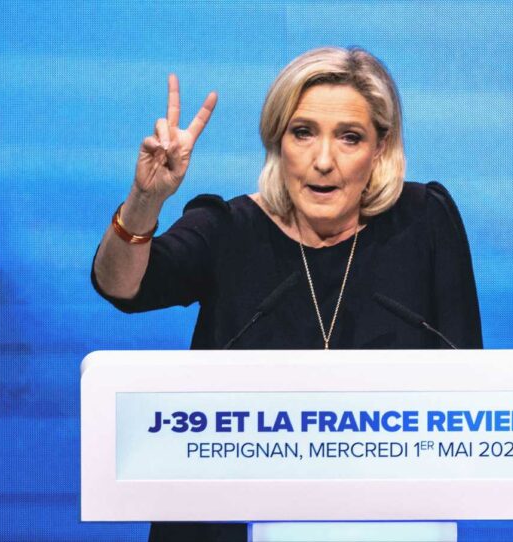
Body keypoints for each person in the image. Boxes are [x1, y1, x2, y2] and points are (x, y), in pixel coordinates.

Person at [92, 46, 482, 542]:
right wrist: (147, 197)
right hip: (224, 521)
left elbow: (469, 381)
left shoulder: (424, 223)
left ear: (380, 148)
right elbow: (121, 285)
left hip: (382, 520)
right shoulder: (229, 229)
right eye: (303, 133)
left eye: (349, 137)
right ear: (278, 141)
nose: (323, 161)